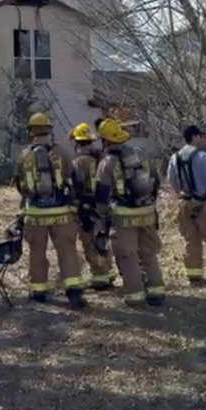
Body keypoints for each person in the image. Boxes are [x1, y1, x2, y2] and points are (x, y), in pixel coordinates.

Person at [14, 112, 87, 309]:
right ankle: (74, 291)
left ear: (31, 131)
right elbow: (75, 181)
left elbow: (21, 186)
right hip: (62, 213)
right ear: (49, 130)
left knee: (37, 252)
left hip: (35, 215)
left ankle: (39, 291)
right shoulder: (62, 153)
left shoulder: (24, 156)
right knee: (67, 251)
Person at [95, 118, 165, 307]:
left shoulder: (107, 163)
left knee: (128, 256)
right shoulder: (141, 154)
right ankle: (156, 292)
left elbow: (101, 196)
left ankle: (135, 296)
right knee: (148, 253)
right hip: (147, 212)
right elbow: (156, 181)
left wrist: (101, 218)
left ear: (105, 140)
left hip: (123, 216)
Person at [167, 124, 206, 289]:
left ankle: (194, 276)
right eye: (200, 135)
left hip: (185, 203)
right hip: (204, 202)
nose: (202, 138)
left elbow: (171, 180)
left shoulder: (174, 158)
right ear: (194, 137)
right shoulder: (202, 157)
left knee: (191, 240)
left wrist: (180, 193)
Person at [70, 122, 117, 290]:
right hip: (105, 206)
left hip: (87, 208)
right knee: (103, 239)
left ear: (77, 142)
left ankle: (99, 276)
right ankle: (108, 272)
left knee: (89, 241)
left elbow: (76, 187)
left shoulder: (78, 162)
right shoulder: (103, 157)